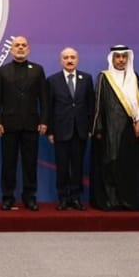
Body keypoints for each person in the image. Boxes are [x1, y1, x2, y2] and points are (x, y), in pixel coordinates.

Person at [0, 35, 48, 211]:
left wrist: (44, 121)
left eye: (24, 45)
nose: (21, 48)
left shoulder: (37, 70)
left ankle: (29, 197)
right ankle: (8, 197)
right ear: (11, 49)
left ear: (28, 49)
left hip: (31, 125)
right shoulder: (3, 71)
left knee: (30, 164)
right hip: (8, 125)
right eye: (17, 45)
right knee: (8, 164)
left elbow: (44, 99)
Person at [91, 45, 139, 211]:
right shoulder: (104, 77)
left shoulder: (134, 77)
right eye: (118, 57)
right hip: (110, 128)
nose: (121, 60)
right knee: (111, 161)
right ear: (112, 58)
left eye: (124, 57)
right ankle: (112, 200)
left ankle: (128, 200)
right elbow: (98, 104)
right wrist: (98, 129)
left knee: (129, 163)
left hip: (130, 129)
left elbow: (138, 104)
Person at [46, 47, 94, 211]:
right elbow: (49, 108)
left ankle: (76, 197)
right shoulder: (52, 80)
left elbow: (91, 105)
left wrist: (90, 128)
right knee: (62, 166)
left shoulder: (86, 79)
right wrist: (50, 131)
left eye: (72, 57)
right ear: (61, 61)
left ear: (77, 60)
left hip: (80, 131)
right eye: (66, 57)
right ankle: (63, 198)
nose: (69, 60)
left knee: (78, 166)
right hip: (60, 131)